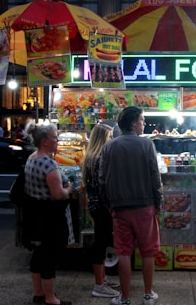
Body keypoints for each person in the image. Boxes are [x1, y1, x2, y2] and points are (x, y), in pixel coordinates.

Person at [99, 106, 163, 305]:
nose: (144, 123)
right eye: (142, 120)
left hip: (119, 208)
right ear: (134, 123)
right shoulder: (146, 145)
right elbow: (155, 176)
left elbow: (102, 179)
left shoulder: (109, 146)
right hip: (144, 206)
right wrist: (158, 201)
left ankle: (125, 298)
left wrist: (108, 203)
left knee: (123, 252)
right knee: (148, 251)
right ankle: (147, 295)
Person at [23, 123, 73, 305]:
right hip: (50, 218)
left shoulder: (31, 158)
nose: (57, 140)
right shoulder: (49, 164)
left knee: (38, 254)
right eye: (54, 137)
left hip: (35, 215)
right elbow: (58, 194)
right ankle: (51, 298)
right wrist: (69, 188)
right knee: (49, 257)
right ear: (44, 141)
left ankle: (38, 293)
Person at [82, 123, 120, 299]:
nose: (112, 139)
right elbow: (103, 187)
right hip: (102, 207)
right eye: (110, 136)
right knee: (101, 243)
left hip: (95, 206)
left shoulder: (90, 156)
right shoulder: (99, 159)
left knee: (102, 241)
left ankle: (103, 279)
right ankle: (99, 285)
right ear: (103, 138)